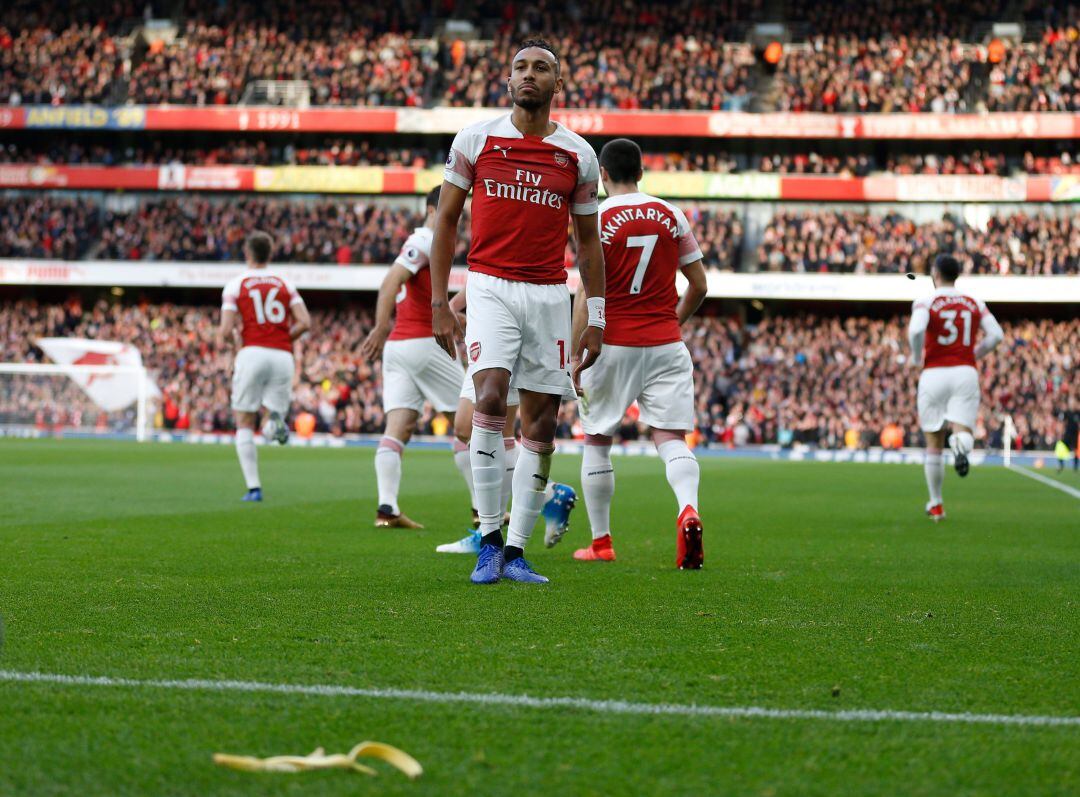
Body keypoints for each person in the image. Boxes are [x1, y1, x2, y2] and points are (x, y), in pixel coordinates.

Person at [429, 37, 606, 584]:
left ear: (558, 83)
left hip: (549, 295)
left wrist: (595, 317)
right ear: (508, 81)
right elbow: (446, 220)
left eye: (541, 68)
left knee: (543, 423)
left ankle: (516, 551)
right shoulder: (476, 139)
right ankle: (486, 537)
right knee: (487, 396)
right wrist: (440, 301)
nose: (529, 75)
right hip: (490, 286)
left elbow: (590, 244)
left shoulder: (578, 154)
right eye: (520, 67)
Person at [571, 138, 709, 568]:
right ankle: (688, 509)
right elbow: (700, 286)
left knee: (597, 439)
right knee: (670, 439)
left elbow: (586, 293)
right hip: (666, 343)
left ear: (603, 176)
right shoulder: (670, 214)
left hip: (612, 343)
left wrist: (576, 354)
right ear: (642, 174)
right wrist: (673, 321)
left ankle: (601, 542)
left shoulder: (598, 216)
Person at [435, 285, 578, 554]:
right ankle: (541, 499)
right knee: (474, 429)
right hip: (492, 309)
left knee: (480, 427)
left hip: (515, 314)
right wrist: (454, 306)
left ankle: (500, 526)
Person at [360, 187, 467, 528]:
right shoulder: (425, 239)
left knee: (399, 427)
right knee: (473, 425)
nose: (459, 217)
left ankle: (386, 509)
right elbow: (391, 280)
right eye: (455, 208)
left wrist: (451, 312)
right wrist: (379, 326)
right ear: (435, 208)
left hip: (400, 348)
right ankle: (486, 511)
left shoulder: (424, 242)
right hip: (425, 344)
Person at [908, 253, 1003, 520]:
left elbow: (916, 332)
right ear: (957, 275)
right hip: (964, 371)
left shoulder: (926, 300)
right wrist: (975, 353)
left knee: (932, 442)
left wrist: (917, 358)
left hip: (934, 372)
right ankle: (960, 443)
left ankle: (936, 504)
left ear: (935, 274)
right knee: (963, 431)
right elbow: (996, 335)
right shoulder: (973, 302)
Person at [218, 231, 310, 501]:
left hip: (252, 352)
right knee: (273, 416)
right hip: (282, 355)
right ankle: (275, 423)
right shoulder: (284, 283)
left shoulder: (236, 284)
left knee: (244, 419)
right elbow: (305, 322)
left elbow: (225, 330)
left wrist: (237, 343)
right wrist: (282, 337)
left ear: (247, 254)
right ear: (270, 254)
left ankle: (254, 487)